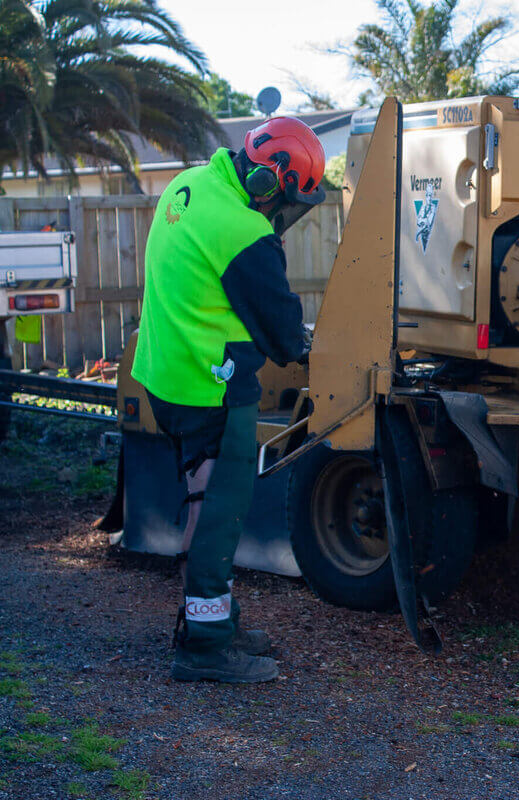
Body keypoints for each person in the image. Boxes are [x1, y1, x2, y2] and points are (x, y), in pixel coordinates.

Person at [131, 117, 326, 683]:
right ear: (269, 181)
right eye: (283, 199)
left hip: (166, 376)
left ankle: (212, 619)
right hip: (209, 386)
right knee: (221, 507)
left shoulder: (187, 185)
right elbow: (287, 338)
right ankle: (205, 647)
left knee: (201, 498)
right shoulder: (244, 231)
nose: (279, 212)